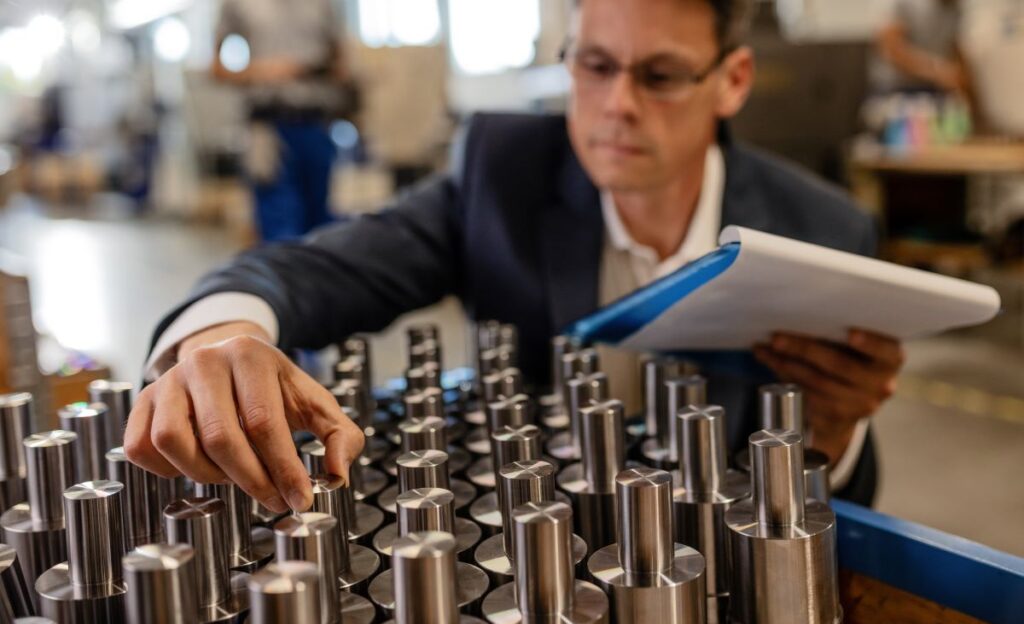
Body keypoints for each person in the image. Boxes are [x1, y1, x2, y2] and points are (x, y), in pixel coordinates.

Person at [127, 0, 904, 515]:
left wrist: (831, 434)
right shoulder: (502, 172)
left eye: (660, 75)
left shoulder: (823, 229)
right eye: (594, 65)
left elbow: (851, 511)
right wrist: (219, 338)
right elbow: (312, 269)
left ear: (732, 79)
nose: (618, 105)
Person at [212, 0, 350, 242]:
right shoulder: (238, 4)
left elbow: (340, 60)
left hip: (314, 124)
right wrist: (264, 71)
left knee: (319, 228)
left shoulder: (323, 4)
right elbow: (216, 69)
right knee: (279, 228)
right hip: (268, 127)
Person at [876, 0, 967, 94]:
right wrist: (938, 72)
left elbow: (955, 51)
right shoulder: (904, 3)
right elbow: (892, 50)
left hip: (936, 90)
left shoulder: (955, 9)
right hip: (896, 89)